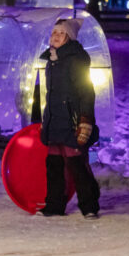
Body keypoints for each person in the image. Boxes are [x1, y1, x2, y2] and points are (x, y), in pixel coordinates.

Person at [33, 18, 101, 218]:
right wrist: (45, 120)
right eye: (54, 32)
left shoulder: (75, 59)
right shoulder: (52, 61)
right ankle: (54, 205)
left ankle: (89, 205)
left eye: (61, 33)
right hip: (55, 120)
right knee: (54, 165)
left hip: (71, 120)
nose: (56, 35)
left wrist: (85, 120)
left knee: (76, 164)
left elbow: (86, 91)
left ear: (69, 37)